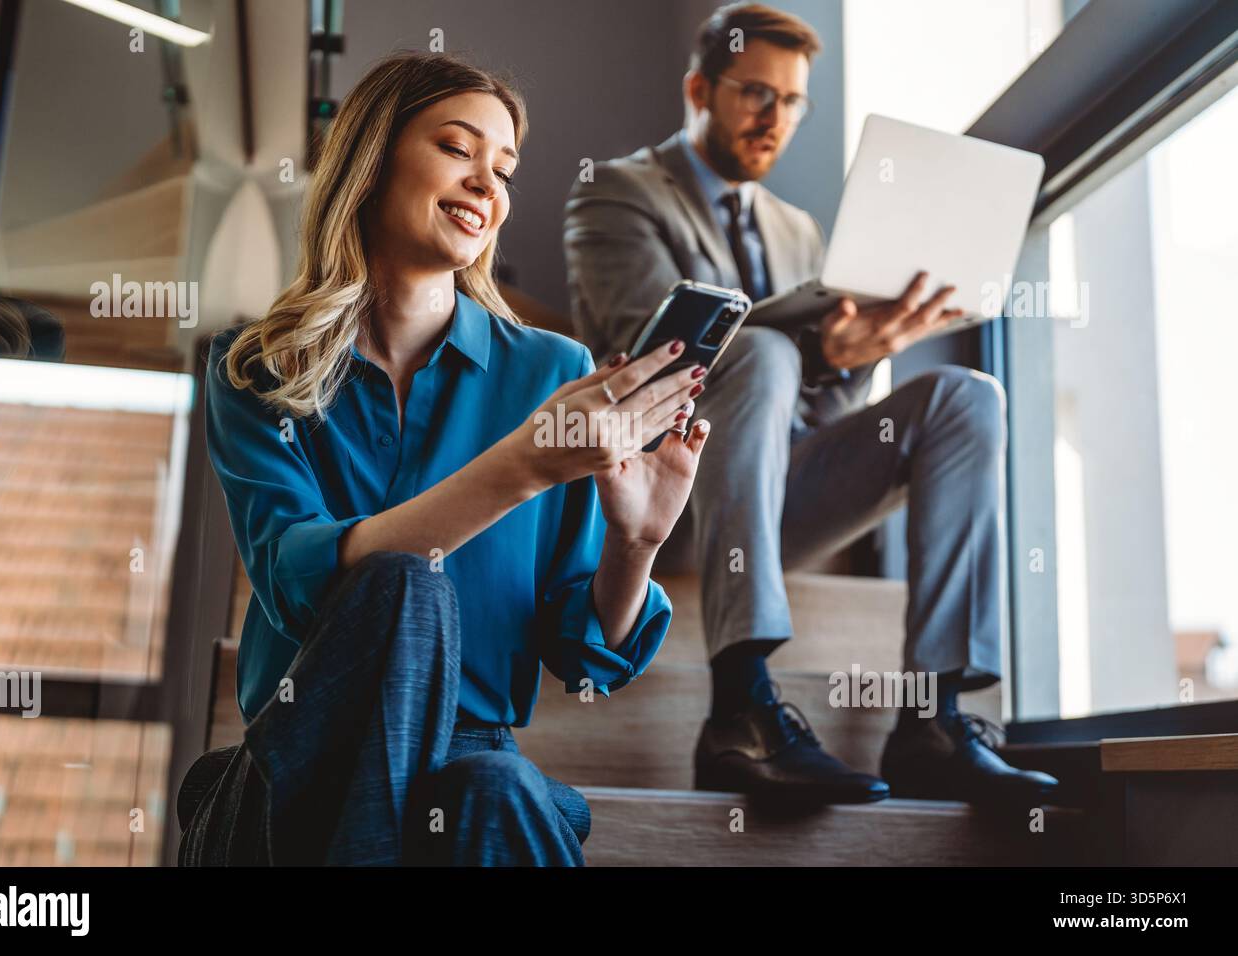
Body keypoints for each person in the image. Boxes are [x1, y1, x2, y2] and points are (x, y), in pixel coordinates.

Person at [179, 50, 710, 866]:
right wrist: (520, 468)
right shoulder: (254, 367)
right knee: (399, 582)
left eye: (503, 169)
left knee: (496, 789)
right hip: (303, 754)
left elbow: (583, 655)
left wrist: (637, 544)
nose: (487, 185)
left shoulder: (553, 374)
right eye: (458, 150)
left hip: (472, 761)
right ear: (371, 159)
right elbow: (298, 578)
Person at [563, 2, 1057, 806]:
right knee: (757, 346)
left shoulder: (798, 231)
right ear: (700, 89)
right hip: (666, 503)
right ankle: (739, 708)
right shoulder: (617, 195)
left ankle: (934, 717)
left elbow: (820, 418)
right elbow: (651, 362)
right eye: (757, 93)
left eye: (793, 101)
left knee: (966, 396)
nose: (776, 117)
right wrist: (814, 348)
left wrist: (858, 358)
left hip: (776, 501)